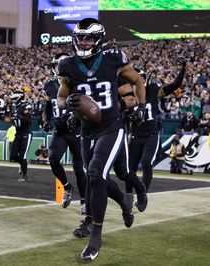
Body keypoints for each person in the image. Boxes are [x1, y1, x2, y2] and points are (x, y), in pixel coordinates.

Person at [57, 18, 146, 261]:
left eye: (89, 38)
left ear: (99, 40)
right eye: (81, 37)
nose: (84, 42)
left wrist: (141, 106)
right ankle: (125, 203)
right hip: (87, 129)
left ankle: (95, 236)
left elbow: (137, 80)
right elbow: (61, 97)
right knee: (96, 179)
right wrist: (69, 107)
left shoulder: (113, 58)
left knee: (95, 174)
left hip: (112, 125)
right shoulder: (67, 65)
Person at [129, 59, 186, 193]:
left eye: (139, 78)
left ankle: (143, 193)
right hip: (136, 135)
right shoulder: (128, 94)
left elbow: (176, 84)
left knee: (147, 162)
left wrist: (183, 68)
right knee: (129, 169)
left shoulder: (153, 91)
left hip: (150, 134)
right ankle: (129, 195)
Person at [42, 53, 87, 213]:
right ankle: (67, 187)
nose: (56, 68)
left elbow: (86, 105)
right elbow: (47, 106)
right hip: (59, 130)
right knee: (53, 159)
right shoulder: (49, 85)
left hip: (75, 129)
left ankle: (84, 201)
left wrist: (75, 117)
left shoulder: (76, 82)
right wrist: (46, 120)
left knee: (79, 167)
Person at [9, 90, 33, 182]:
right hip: (18, 134)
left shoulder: (26, 105)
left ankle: (24, 175)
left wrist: (18, 116)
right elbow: (11, 119)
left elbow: (28, 119)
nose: (13, 100)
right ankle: (22, 164)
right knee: (13, 155)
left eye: (15, 99)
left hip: (26, 134)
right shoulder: (15, 107)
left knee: (23, 155)